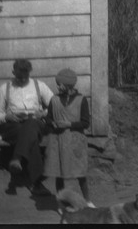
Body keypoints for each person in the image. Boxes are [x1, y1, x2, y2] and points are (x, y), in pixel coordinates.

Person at [0, 58, 54, 196]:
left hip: (35, 122)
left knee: (30, 126)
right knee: (30, 138)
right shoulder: (5, 88)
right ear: (13, 72)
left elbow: (55, 107)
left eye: (25, 76)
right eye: (19, 77)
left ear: (30, 73)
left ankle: (17, 158)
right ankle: (36, 183)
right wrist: (6, 117)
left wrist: (42, 113)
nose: (22, 79)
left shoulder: (39, 86)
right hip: (14, 126)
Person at [44, 68, 93, 207]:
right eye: (57, 84)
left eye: (60, 84)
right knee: (59, 173)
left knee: (80, 172)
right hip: (58, 140)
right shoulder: (54, 100)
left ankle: (88, 201)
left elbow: (85, 123)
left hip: (75, 142)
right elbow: (48, 120)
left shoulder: (81, 100)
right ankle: (61, 203)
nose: (58, 86)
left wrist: (69, 124)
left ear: (69, 85)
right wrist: (52, 124)